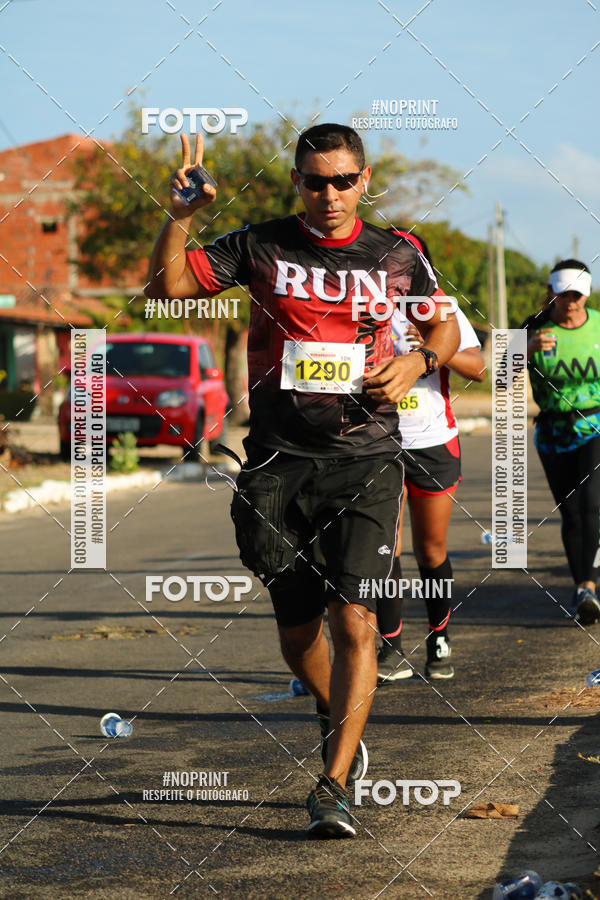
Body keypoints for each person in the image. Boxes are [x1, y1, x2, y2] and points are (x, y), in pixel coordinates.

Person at [146, 123, 459, 838]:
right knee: (296, 632)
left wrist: (416, 364)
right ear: (297, 182)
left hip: (368, 458)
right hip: (278, 462)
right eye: (315, 181)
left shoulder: (398, 253)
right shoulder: (261, 244)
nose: (330, 194)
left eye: (343, 180)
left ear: (365, 179)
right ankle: (336, 709)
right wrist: (183, 217)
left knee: (355, 618)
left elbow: (442, 331)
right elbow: (168, 287)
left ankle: (335, 783)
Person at [375, 231, 486, 682]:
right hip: (377, 441)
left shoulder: (444, 308)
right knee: (386, 549)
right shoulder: (367, 305)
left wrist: (432, 342)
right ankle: (391, 646)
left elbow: (478, 369)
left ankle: (439, 636)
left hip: (433, 440)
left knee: (431, 548)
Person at [522, 259, 600, 625]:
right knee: (571, 513)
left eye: (577, 295)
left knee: (589, 505)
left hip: (595, 426)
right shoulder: (532, 328)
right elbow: (492, 375)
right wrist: (526, 350)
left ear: (586, 294)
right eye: (563, 293)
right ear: (551, 291)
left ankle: (589, 585)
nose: (570, 302)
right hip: (552, 433)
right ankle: (581, 587)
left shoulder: (598, 324)